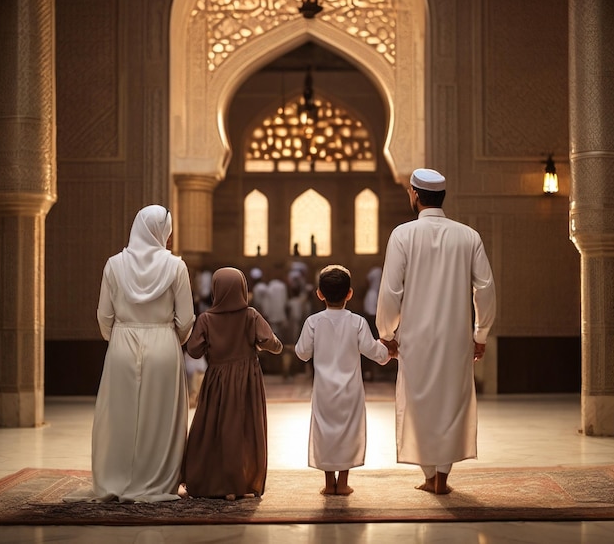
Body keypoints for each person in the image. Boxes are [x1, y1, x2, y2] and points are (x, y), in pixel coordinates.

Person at [376, 168, 496, 495]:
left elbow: (391, 292)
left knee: (418, 403)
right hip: (457, 339)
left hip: (414, 339)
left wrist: (387, 332)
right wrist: (480, 334)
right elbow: (484, 289)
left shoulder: (403, 235)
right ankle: (442, 476)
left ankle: (429, 475)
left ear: (414, 195)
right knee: (451, 403)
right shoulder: (467, 236)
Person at [67, 205, 195, 503]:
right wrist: (169, 339)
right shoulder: (176, 266)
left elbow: (104, 316)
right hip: (164, 344)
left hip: (122, 344)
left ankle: (116, 478)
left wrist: (120, 339)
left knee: (120, 415)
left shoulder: (114, 264)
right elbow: (186, 319)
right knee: (160, 417)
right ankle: (156, 481)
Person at [182, 267, 283, 499]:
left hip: (217, 379)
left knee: (215, 428)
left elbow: (194, 350)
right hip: (247, 379)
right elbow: (272, 344)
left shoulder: (207, 318)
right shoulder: (251, 315)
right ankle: (241, 483)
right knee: (243, 428)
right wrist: (262, 345)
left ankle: (214, 482)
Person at [295, 265, 395, 496]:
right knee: (349, 432)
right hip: (350, 389)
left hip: (323, 390)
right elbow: (374, 352)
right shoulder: (357, 322)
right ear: (350, 293)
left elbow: (302, 352)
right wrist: (388, 349)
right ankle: (344, 482)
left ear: (319, 293)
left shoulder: (313, 322)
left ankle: (329, 483)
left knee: (325, 432)